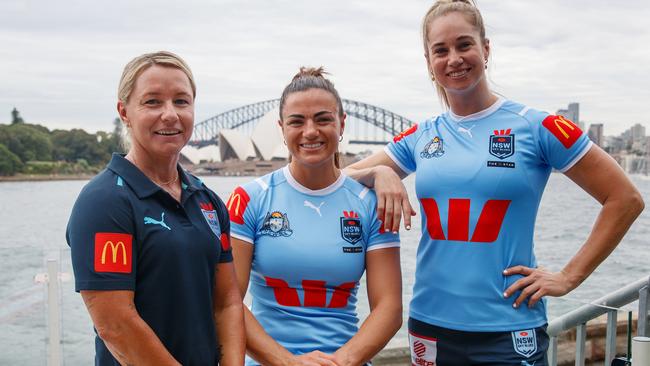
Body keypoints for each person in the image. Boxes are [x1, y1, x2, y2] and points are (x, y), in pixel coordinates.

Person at [344, 1, 645, 364]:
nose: (454, 58)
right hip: (431, 325)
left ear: (486, 49)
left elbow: (625, 198)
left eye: (464, 44)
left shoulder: (538, 127)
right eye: (441, 50)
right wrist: (381, 171)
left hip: (509, 327)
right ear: (429, 63)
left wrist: (569, 277)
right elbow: (342, 179)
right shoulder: (421, 136)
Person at [66, 51, 245, 365]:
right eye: (152, 102)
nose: (170, 114)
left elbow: (227, 304)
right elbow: (116, 325)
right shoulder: (105, 202)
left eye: (181, 101)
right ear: (125, 112)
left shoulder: (208, 201)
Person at [228, 67, 402, 366]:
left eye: (323, 119)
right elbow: (228, 301)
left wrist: (340, 361)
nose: (310, 131)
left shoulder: (370, 204)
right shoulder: (248, 199)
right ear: (282, 128)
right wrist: (288, 362)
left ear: (342, 123)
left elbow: (389, 308)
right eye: (297, 121)